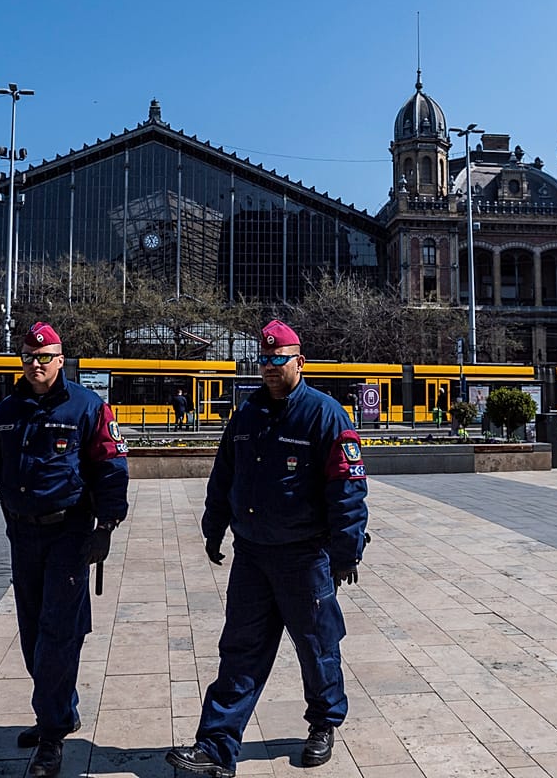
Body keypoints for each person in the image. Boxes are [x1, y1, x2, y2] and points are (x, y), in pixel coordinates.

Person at [168, 320, 369, 777]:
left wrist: (347, 547)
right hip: (253, 555)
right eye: (264, 360)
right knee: (239, 650)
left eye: (280, 359)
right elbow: (225, 475)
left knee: (317, 647)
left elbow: (348, 487)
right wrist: (213, 525)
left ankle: (323, 722)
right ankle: (217, 747)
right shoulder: (247, 415)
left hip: (304, 557)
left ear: (300, 361)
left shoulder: (325, 415)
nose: (271, 367)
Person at [0, 322, 129, 778]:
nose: (37, 364)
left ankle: (51, 734)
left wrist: (107, 526)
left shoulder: (87, 407)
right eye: (29, 357)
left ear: (61, 359)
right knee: (34, 631)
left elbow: (112, 467)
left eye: (46, 356)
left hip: (69, 533)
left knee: (57, 633)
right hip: (23, 536)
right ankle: (61, 710)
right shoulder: (8, 410)